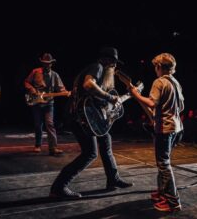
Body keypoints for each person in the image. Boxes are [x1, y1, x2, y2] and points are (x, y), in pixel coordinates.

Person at [49, 47, 134, 198]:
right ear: (107, 60)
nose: (114, 67)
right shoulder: (98, 67)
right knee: (90, 153)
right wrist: (109, 97)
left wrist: (110, 104)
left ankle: (113, 179)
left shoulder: (96, 68)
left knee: (106, 139)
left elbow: (91, 96)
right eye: (114, 63)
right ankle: (59, 187)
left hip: (85, 117)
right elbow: (88, 85)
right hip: (81, 118)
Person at [127, 53, 184, 212]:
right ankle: (163, 193)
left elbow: (152, 102)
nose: (155, 69)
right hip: (177, 127)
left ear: (159, 67)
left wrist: (136, 94)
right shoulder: (175, 82)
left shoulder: (159, 82)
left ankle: (173, 202)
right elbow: (182, 107)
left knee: (164, 164)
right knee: (163, 163)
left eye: (155, 66)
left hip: (165, 129)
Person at [24, 52, 70, 156]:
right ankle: (38, 145)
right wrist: (32, 89)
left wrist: (66, 92)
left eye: (48, 63)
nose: (46, 65)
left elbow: (61, 88)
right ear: (42, 63)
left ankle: (53, 148)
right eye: (44, 63)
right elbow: (26, 82)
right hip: (36, 102)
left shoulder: (55, 75)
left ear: (51, 64)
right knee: (38, 125)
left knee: (50, 124)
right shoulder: (35, 71)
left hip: (49, 103)